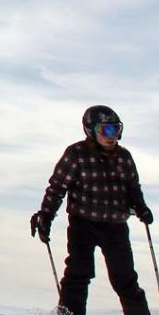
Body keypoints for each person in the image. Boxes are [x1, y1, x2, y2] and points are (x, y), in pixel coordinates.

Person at [30, 105, 153, 315]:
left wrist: (141, 207)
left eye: (116, 129)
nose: (112, 136)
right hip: (83, 224)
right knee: (78, 274)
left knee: (125, 279)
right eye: (106, 130)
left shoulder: (124, 157)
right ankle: (70, 312)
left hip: (115, 226)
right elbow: (58, 187)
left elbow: (132, 187)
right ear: (91, 130)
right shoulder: (76, 154)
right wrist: (46, 215)